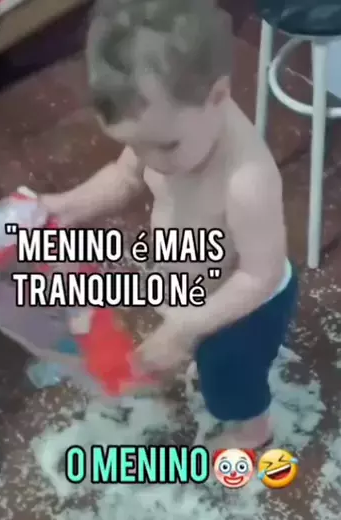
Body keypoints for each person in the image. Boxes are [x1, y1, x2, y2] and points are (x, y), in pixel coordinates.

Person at [41, 0, 298, 449]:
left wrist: (185, 329)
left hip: (243, 309)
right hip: (194, 282)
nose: (150, 160)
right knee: (202, 353)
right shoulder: (164, 129)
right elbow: (124, 178)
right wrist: (62, 208)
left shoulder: (246, 180)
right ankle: (199, 352)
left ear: (218, 96)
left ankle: (253, 430)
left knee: (229, 377)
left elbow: (260, 276)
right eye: (135, 144)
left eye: (164, 147)